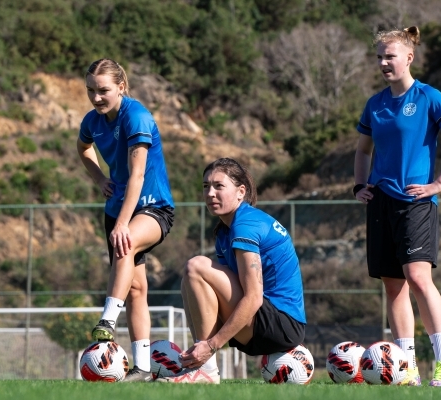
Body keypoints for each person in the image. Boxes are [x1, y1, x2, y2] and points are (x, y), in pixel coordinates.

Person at [353, 26, 441, 387]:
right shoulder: (374, 104)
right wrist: (360, 184)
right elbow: (362, 150)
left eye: (389, 56)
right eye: (379, 57)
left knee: (419, 278)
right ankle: (407, 368)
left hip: (416, 203)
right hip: (380, 203)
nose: (383, 63)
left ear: (409, 57)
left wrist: (438, 184)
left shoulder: (429, 97)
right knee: (393, 288)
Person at [158, 158, 306, 384]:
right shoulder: (224, 232)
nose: (210, 193)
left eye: (219, 186)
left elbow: (254, 297)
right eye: (206, 186)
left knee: (196, 266)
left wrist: (211, 345)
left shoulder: (246, 224)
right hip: (266, 323)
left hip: (281, 324)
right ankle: (200, 367)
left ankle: (205, 369)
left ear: (240, 192)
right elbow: (222, 296)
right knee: (191, 277)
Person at [76, 58, 175, 382]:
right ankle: (143, 368)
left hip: (152, 206)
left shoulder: (137, 117)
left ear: (121, 87)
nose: (96, 97)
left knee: (126, 243)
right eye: (90, 90)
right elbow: (83, 149)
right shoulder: (92, 121)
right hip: (117, 209)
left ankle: (106, 321)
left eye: (103, 90)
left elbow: (137, 176)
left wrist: (122, 223)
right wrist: (99, 179)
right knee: (136, 289)